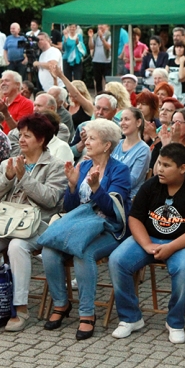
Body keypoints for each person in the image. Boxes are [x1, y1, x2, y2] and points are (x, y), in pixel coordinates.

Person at [109, 143, 185, 343]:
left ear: (182, 168)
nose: (159, 169)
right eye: (159, 163)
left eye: (166, 165)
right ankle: (130, 318)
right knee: (117, 260)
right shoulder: (151, 185)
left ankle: (175, 321)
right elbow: (135, 218)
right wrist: (147, 245)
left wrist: (171, 247)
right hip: (149, 239)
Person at [0, 113, 66, 332]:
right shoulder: (9, 163)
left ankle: (20, 308)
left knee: (17, 246)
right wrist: (8, 177)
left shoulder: (56, 166)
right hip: (4, 222)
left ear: (41, 140)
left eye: (28, 136)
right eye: (20, 135)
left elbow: (51, 200)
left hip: (36, 225)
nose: (21, 140)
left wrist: (25, 178)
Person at [41, 119, 130, 340]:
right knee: (49, 251)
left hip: (109, 229)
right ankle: (61, 304)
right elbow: (72, 209)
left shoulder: (120, 170)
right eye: (86, 137)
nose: (86, 142)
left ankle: (87, 314)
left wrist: (97, 189)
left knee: (84, 254)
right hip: (81, 226)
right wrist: (72, 186)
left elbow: (113, 211)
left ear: (107, 145)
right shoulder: (86, 165)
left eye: (92, 138)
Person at [112, 108, 151, 196]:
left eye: (127, 119)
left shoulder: (143, 150)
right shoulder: (117, 143)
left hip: (125, 198)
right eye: (121, 120)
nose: (122, 123)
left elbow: (132, 180)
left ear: (138, 122)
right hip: (109, 192)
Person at [50, 65, 93, 130]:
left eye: (71, 91)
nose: (70, 94)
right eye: (69, 92)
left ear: (82, 92)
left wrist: (61, 76)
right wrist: (55, 79)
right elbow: (56, 96)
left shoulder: (88, 106)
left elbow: (76, 95)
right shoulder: (68, 106)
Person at [0, 70, 34, 134]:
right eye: (2, 81)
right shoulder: (0, 102)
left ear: (17, 85)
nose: (3, 84)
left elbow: (19, 132)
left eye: (7, 81)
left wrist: (6, 113)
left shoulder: (27, 104)